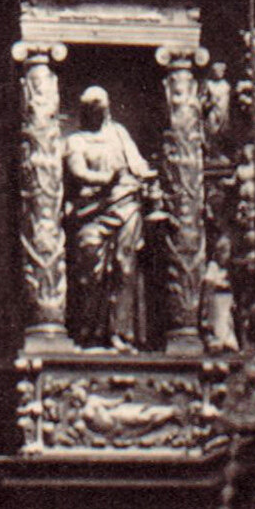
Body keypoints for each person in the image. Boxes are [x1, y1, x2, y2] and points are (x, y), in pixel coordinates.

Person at [59, 81, 160, 345]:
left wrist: (149, 173)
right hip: (91, 212)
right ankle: (90, 334)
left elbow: (137, 164)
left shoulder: (119, 133)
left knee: (124, 267)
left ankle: (120, 333)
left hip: (125, 206)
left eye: (102, 110)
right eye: (94, 111)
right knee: (91, 270)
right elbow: (78, 172)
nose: (100, 115)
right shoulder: (76, 141)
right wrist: (106, 178)